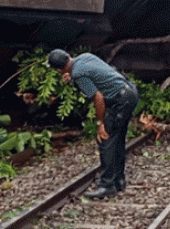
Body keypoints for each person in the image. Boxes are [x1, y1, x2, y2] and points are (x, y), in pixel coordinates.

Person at [47, 49, 140, 199]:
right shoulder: (84, 57)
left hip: (121, 100)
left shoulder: (78, 74)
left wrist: (100, 124)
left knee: (106, 140)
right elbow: (96, 73)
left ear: (59, 69)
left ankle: (107, 186)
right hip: (130, 93)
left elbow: (98, 98)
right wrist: (72, 78)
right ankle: (119, 181)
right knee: (117, 139)